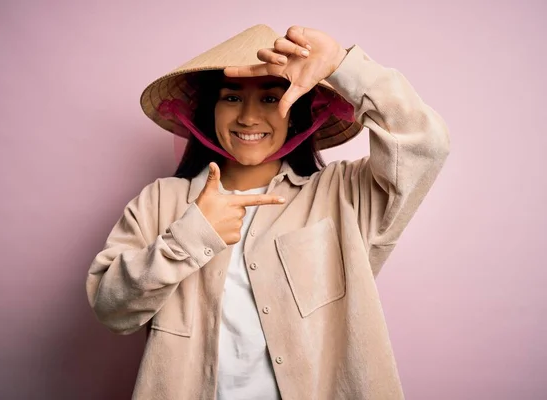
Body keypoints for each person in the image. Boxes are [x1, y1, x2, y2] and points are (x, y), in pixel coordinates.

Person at [86, 24, 450, 400]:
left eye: (270, 98)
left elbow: (426, 145)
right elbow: (112, 309)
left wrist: (344, 66)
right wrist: (191, 235)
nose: (247, 117)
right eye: (230, 98)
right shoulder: (159, 201)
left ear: (295, 112)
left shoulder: (343, 195)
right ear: (208, 110)